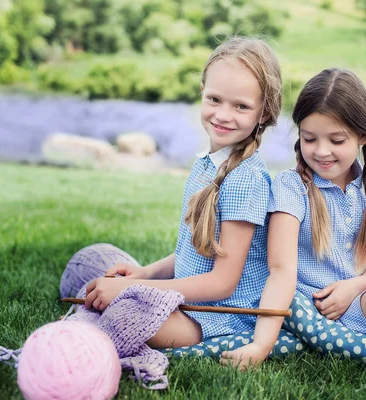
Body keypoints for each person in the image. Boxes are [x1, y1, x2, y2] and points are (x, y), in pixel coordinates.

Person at [221, 68, 366, 368]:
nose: (322, 151)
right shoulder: (291, 188)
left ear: (363, 136)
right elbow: (280, 271)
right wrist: (261, 344)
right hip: (310, 312)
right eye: (310, 138)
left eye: (337, 140)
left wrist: (352, 287)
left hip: (357, 305)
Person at [83, 37, 282, 349]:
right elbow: (195, 251)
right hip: (185, 302)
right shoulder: (206, 164)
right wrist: (144, 274)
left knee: (121, 316)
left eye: (241, 106)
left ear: (265, 113)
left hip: (216, 316)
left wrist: (134, 290)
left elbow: (222, 283)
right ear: (202, 92)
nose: (223, 115)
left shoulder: (247, 179)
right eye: (215, 100)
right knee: (92, 265)